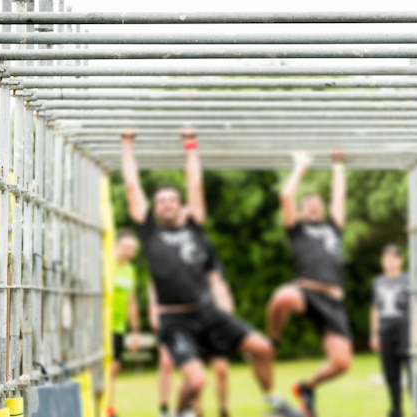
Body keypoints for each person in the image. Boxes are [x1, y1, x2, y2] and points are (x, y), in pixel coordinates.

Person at [120, 129, 301, 417]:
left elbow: (195, 184)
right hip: (175, 319)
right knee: (197, 380)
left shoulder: (194, 228)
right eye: (161, 201)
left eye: (172, 199)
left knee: (264, 349)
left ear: (181, 206)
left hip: (207, 312)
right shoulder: (150, 232)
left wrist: (190, 145)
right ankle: (179, 413)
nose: (166, 203)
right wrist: (127, 146)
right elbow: (132, 186)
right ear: (154, 209)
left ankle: (272, 401)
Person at [267, 150, 352, 417]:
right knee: (282, 297)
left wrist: (338, 164)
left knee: (342, 363)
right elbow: (285, 197)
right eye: (309, 204)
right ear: (303, 211)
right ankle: (273, 341)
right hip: (306, 292)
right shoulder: (298, 230)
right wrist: (300, 167)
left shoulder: (334, 228)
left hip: (333, 302)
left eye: (318, 203)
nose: (314, 206)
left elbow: (339, 196)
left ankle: (306, 387)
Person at [149, 259, 235, 417]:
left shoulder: (211, 264)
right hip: (187, 325)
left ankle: (223, 410)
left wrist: (226, 317)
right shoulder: (172, 264)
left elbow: (223, 291)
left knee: (221, 369)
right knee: (193, 375)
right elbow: (157, 288)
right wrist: (154, 311)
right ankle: (192, 410)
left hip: (212, 324)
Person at [370, 245, 411, 417]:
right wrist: (374, 334)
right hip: (386, 330)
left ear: (400, 260)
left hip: (404, 330)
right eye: (387, 259)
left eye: (394, 258)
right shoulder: (378, 282)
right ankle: (396, 410)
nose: (390, 262)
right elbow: (375, 308)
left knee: (411, 371)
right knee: (390, 373)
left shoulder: (408, 279)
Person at [108, 229, 141, 417]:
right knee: (103, 367)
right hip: (102, 325)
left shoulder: (130, 270)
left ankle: (109, 407)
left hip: (118, 327)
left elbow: (132, 301)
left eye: (133, 249)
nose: (130, 252)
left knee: (114, 368)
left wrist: (135, 332)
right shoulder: (106, 265)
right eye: (127, 247)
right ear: (116, 246)